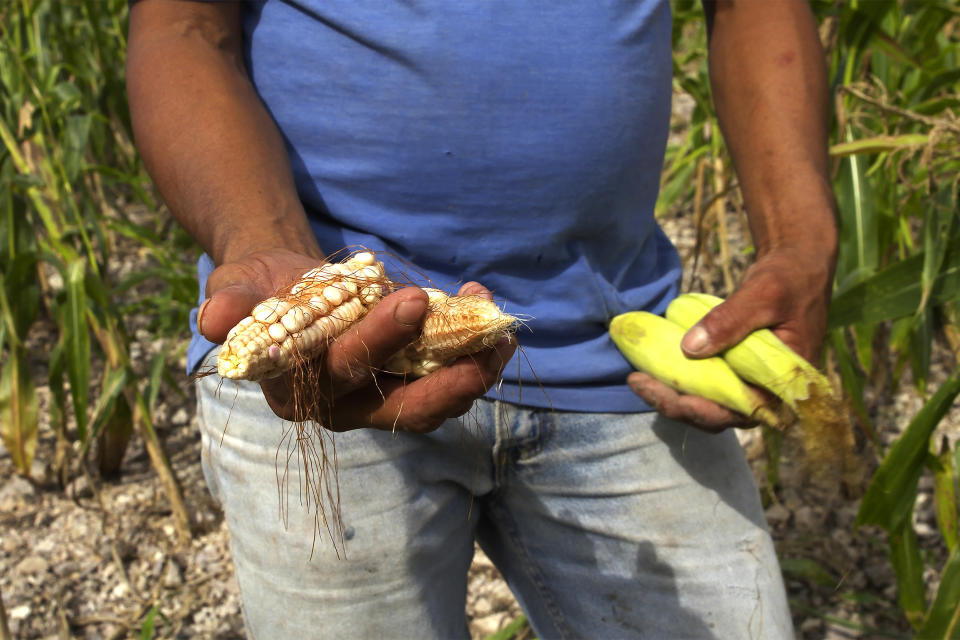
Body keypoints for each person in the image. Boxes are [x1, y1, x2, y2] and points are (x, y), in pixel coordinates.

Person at [127, 1, 837, 637]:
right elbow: (182, 25)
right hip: (325, 371)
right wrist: (264, 240)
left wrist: (800, 240)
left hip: (623, 342)